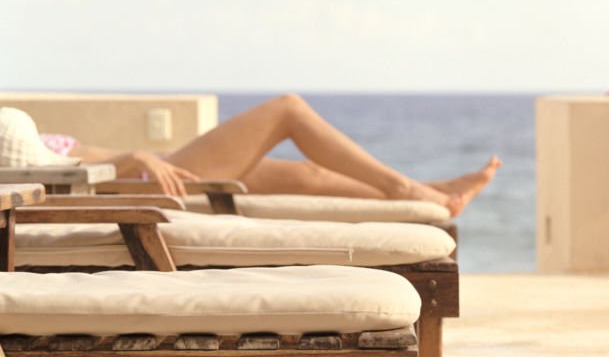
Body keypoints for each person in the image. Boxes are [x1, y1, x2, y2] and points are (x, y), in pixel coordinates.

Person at [2, 95, 499, 216]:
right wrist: (136, 157)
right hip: (144, 184)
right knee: (287, 110)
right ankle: (406, 188)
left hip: (153, 170)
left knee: (305, 173)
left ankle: (433, 195)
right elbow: (51, 182)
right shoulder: (10, 140)